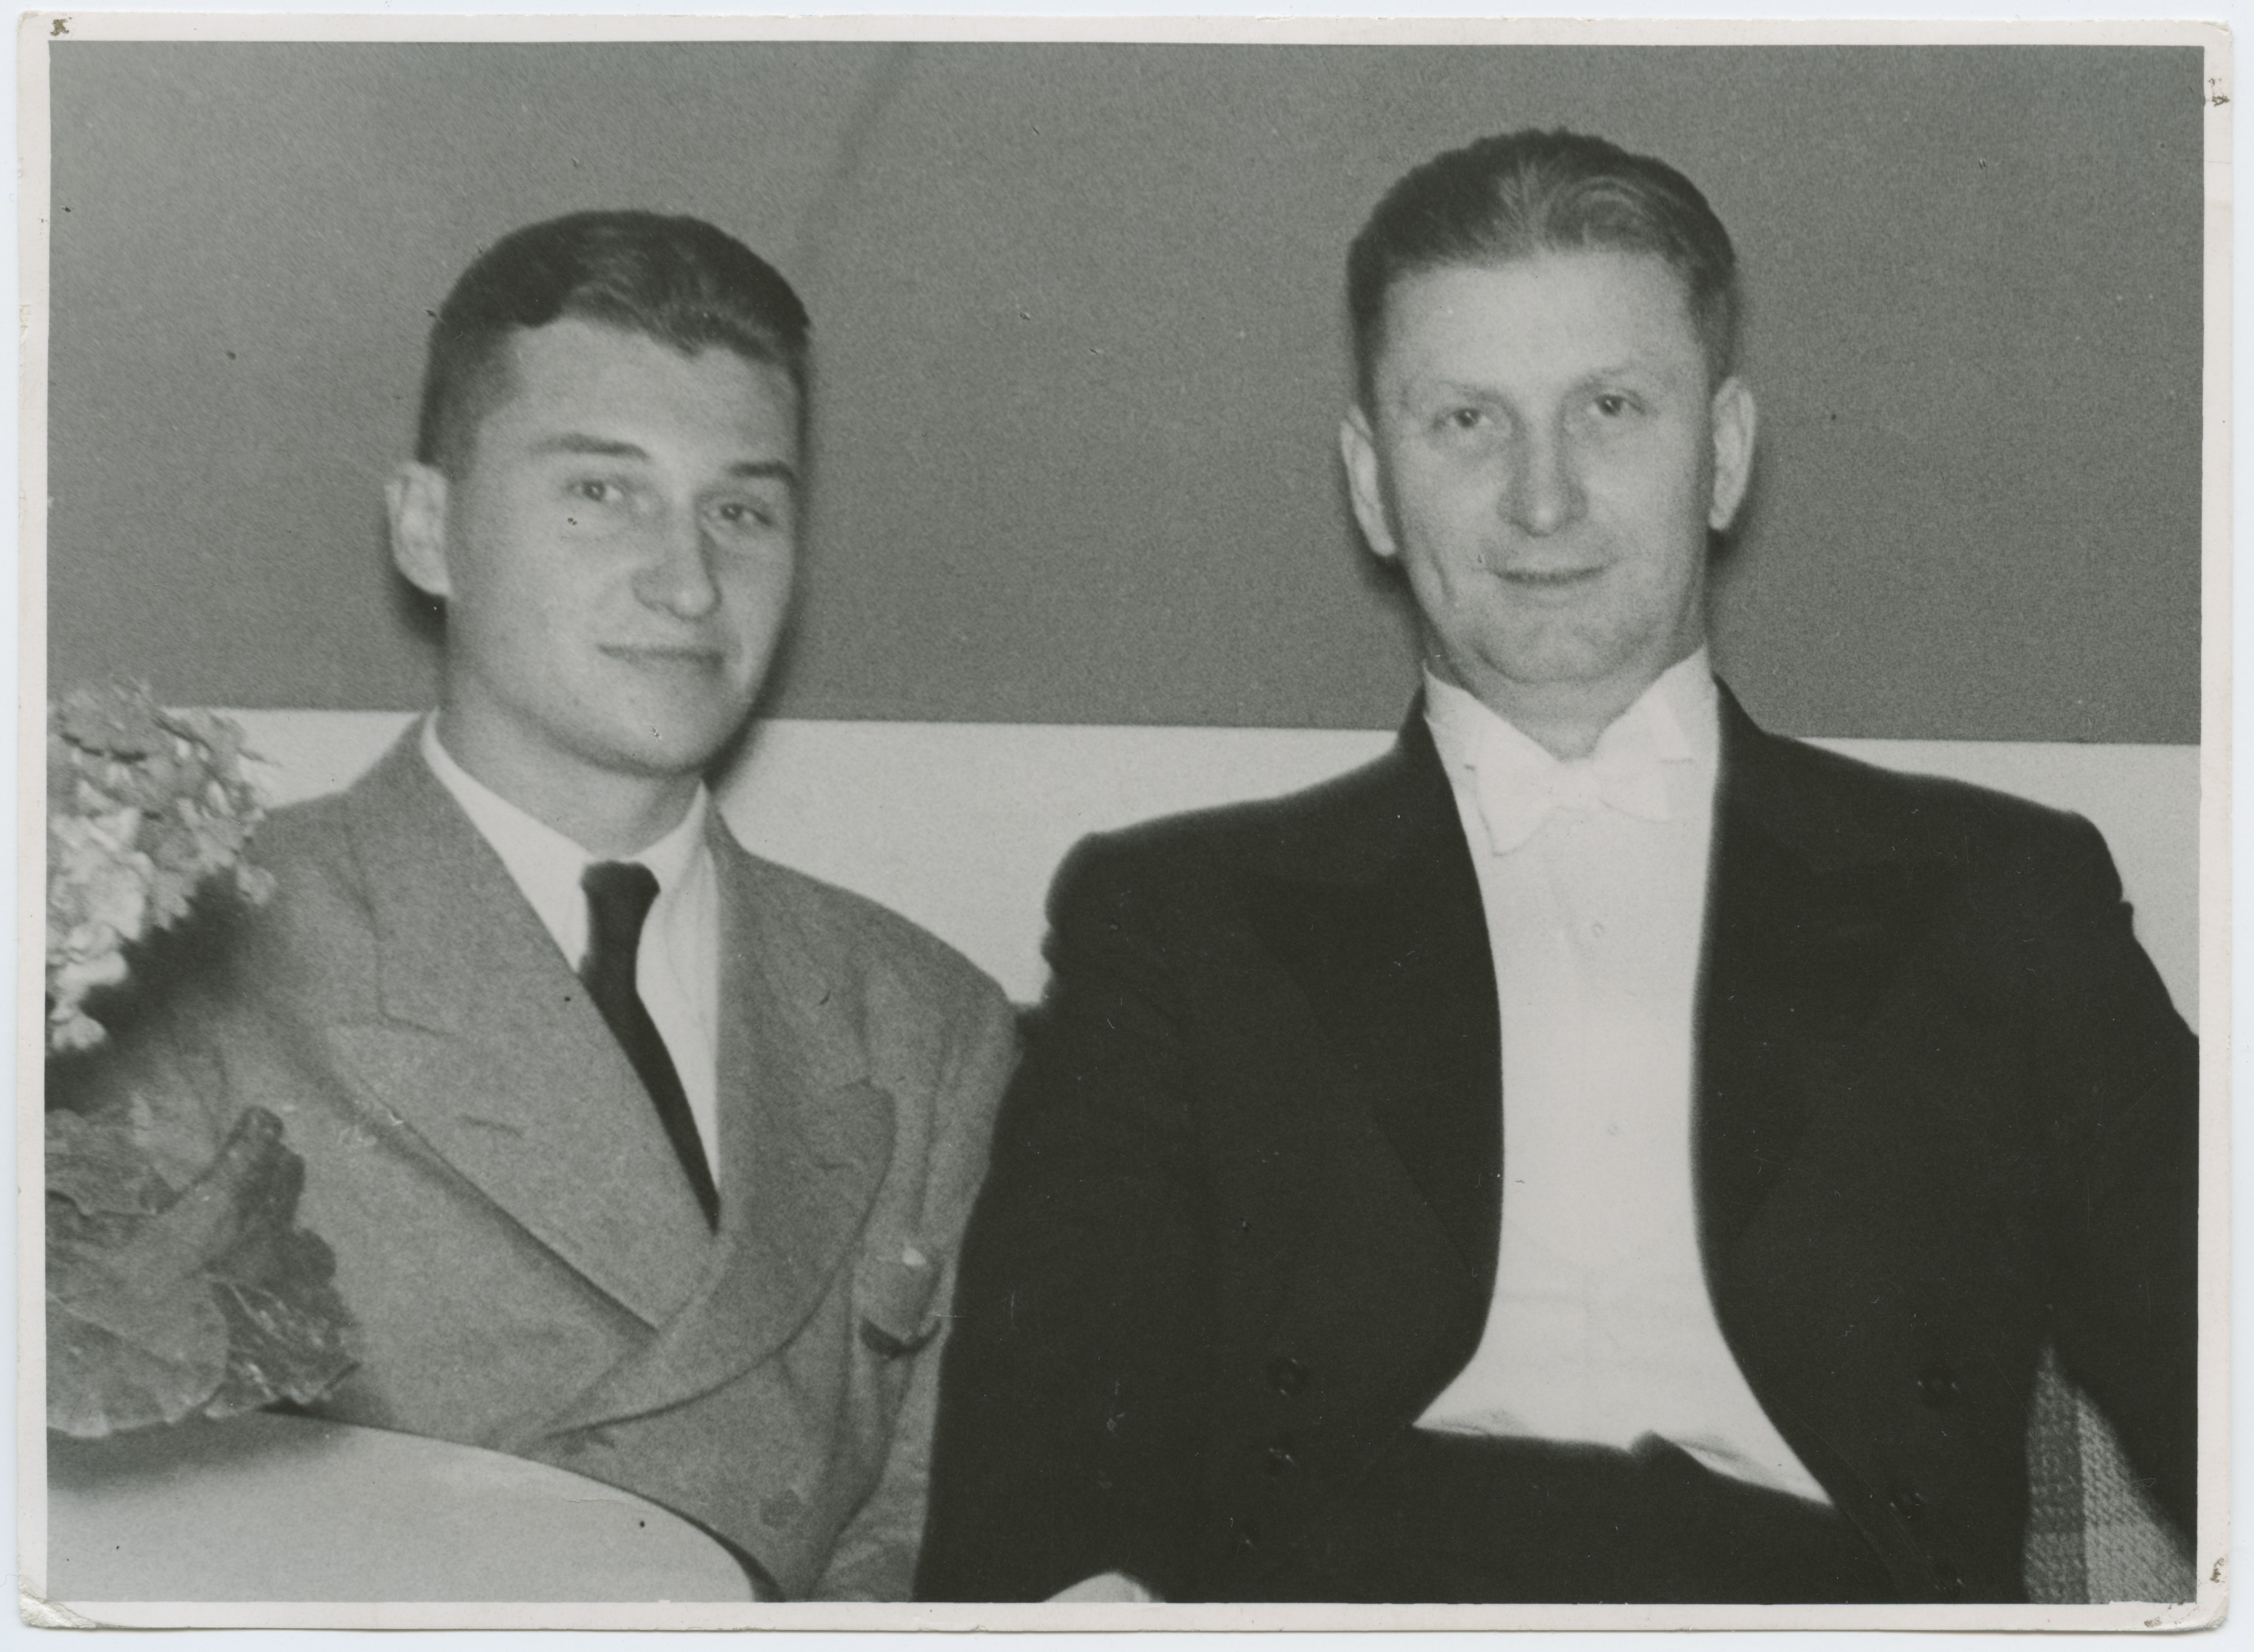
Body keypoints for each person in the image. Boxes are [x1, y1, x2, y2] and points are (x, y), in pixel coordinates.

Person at [915, 130, 2197, 1605]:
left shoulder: (1999, 895)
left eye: (1610, 408)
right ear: (1372, 482)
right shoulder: (1176, 923)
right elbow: (1041, 1478)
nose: (1542, 499)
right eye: (1467, 419)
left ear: (1722, 453)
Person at [69, 211, 1016, 1600]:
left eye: (741, 510)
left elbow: (931, 1537)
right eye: (600, 491)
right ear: (428, 530)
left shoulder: (921, 1021)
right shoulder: (178, 967)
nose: (687, 582)